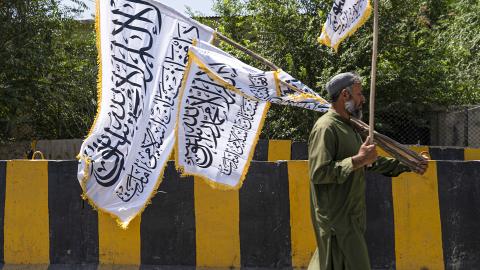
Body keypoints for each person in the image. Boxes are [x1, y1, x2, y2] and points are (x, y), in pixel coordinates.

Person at [307, 72, 428, 270]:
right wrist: (357, 160)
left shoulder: (351, 127)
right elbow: (319, 173)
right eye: (359, 94)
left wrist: (409, 163)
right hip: (337, 221)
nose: (363, 99)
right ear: (345, 95)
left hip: (351, 218)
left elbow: (371, 162)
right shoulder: (326, 128)